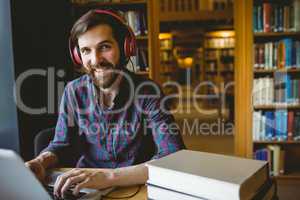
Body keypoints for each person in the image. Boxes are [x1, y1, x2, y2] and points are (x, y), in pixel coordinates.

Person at [26, 9, 185, 198]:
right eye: (86, 50)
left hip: (134, 189)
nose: (95, 60)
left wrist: (108, 177)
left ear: (126, 47)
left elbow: (174, 158)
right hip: (84, 189)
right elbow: (61, 144)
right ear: (78, 56)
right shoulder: (73, 91)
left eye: (105, 47)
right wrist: (41, 161)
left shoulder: (148, 92)